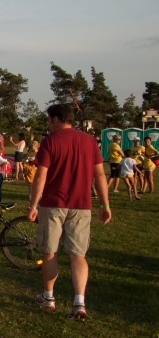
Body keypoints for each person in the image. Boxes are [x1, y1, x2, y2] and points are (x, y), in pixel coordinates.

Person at [28, 104, 111, 322]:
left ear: (55, 119)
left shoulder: (50, 141)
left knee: (50, 252)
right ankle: (79, 302)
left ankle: (48, 297)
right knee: (78, 255)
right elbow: (100, 176)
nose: (48, 123)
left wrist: (34, 204)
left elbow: (40, 177)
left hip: (53, 204)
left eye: (49, 119)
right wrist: (105, 204)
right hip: (82, 205)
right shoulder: (89, 141)